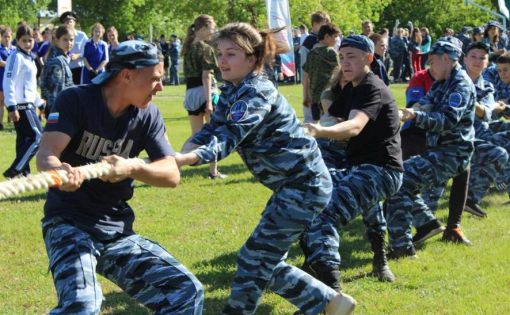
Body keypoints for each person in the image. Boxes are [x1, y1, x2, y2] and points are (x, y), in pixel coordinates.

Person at [176, 22, 356, 315]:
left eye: (231, 54)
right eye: (220, 53)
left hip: (304, 185)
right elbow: (213, 129)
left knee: (254, 257)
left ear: (252, 58)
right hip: (294, 185)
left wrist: (186, 159)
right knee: (264, 259)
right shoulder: (234, 89)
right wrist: (181, 150)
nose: (222, 60)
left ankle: (315, 304)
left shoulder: (256, 91)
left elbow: (229, 136)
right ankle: (330, 304)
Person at [35, 40, 204, 314]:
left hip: (116, 230)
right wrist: (59, 171)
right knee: (83, 304)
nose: (161, 87)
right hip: (68, 223)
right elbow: (45, 154)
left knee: (186, 291)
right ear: (127, 75)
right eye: (155, 79)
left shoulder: (148, 115)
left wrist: (132, 168)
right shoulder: (75, 99)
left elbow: (171, 173)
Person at [301, 35, 404, 287]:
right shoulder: (352, 88)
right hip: (361, 166)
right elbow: (330, 117)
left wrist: (318, 131)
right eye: (342, 57)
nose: (345, 63)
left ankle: (332, 290)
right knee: (309, 197)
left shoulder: (372, 87)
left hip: (383, 170)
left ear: (368, 59)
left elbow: (355, 126)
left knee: (325, 212)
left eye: (352, 57)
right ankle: (318, 266)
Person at [386, 39, 476, 258]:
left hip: (453, 153)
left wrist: (415, 115)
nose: (429, 66)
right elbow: (425, 103)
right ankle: (426, 224)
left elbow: (447, 120)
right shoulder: (441, 81)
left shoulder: (460, 85)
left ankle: (402, 246)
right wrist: (405, 112)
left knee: (398, 179)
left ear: (447, 59)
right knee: (399, 179)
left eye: (432, 61)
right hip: (440, 150)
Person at [181, 14, 225, 179]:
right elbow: (206, 76)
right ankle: (213, 171)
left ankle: (176, 161)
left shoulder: (187, 48)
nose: (213, 31)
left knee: (196, 135)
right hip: (205, 91)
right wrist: (209, 101)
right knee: (213, 134)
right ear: (204, 27)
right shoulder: (205, 49)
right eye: (212, 28)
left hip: (190, 93)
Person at [2, 24, 45, 178]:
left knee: (24, 140)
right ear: (17, 41)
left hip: (29, 104)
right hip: (20, 105)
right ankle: (16, 169)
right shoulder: (15, 56)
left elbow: (30, 86)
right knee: (38, 137)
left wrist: (40, 103)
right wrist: (11, 106)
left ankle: (24, 174)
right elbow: (9, 82)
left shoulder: (30, 58)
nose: (28, 43)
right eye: (24, 40)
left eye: (31, 40)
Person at [303, 23, 340, 121]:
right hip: (328, 96)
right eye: (335, 36)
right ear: (327, 36)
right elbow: (340, 73)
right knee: (330, 124)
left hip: (313, 97)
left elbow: (306, 76)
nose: (337, 39)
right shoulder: (331, 52)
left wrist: (306, 96)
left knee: (317, 125)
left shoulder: (311, 53)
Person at [300, 11, 331, 122]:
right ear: (315, 24)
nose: (326, 27)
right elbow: (304, 69)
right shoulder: (309, 42)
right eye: (324, 24)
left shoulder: (325, 40)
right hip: (312, 86)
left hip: (326, 84)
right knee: (311, 118)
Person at [40, 25, 75, 116]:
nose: (69, 43)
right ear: (56, 40)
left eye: (71, 40)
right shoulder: (57, 61)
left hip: (63, 106)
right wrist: (55, 114)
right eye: (65, 39)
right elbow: (55, 92)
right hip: (57, 109)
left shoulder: (63, 58)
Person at [60, 11, 89, 85]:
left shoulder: (82, 35)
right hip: (65, 68)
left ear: (74, 23)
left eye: (70, 21)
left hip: (79, 68)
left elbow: (88, 50)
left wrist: (78, 55)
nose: (68, 23)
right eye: (66, 22)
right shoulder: (60, 36)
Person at [0, 26, 16, 130]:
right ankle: (0, 123)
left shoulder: (15, 49)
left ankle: (14, 121)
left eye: (9, 37)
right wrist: (12, 65)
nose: (7, 39)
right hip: (1, 78)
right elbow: (0, 62)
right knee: (1, 102)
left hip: (13, 80)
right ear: (1, 37)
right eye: (5, 36)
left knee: (13, 100)